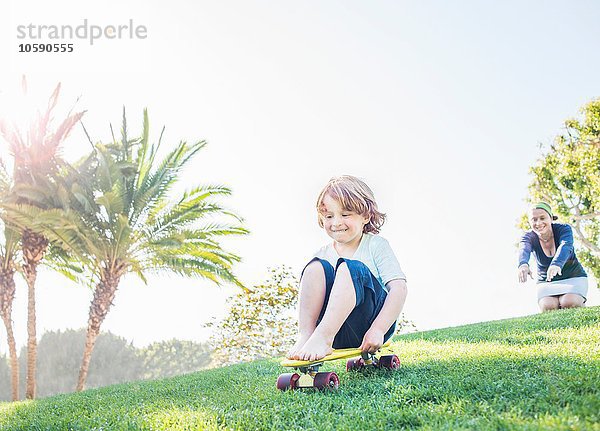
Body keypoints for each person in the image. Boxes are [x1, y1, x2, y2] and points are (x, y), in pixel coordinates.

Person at [287, 175, 408, 361]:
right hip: (336, 330)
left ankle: (323, 338)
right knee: (315, 267)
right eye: (329, 216)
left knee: (351, 269)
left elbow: (399, 288)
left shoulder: (375, 245)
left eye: (345, 215)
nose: (336, 223)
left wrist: (378, 329)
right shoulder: (323, 254)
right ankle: (308, 336)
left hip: (370, 325)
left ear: (365, 216)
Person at [518, 202, 588, 312]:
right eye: (534, 219)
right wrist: (523, 264)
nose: (539, 223)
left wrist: (556, 263)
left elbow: (566, 246)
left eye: (542, 218)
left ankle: (580, 306)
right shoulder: (528, 237)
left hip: (573, 277)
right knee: (548, 307)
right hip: (547, 282)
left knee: (569, 302)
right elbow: (524, 249)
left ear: (551, 218)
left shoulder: (564, 229)